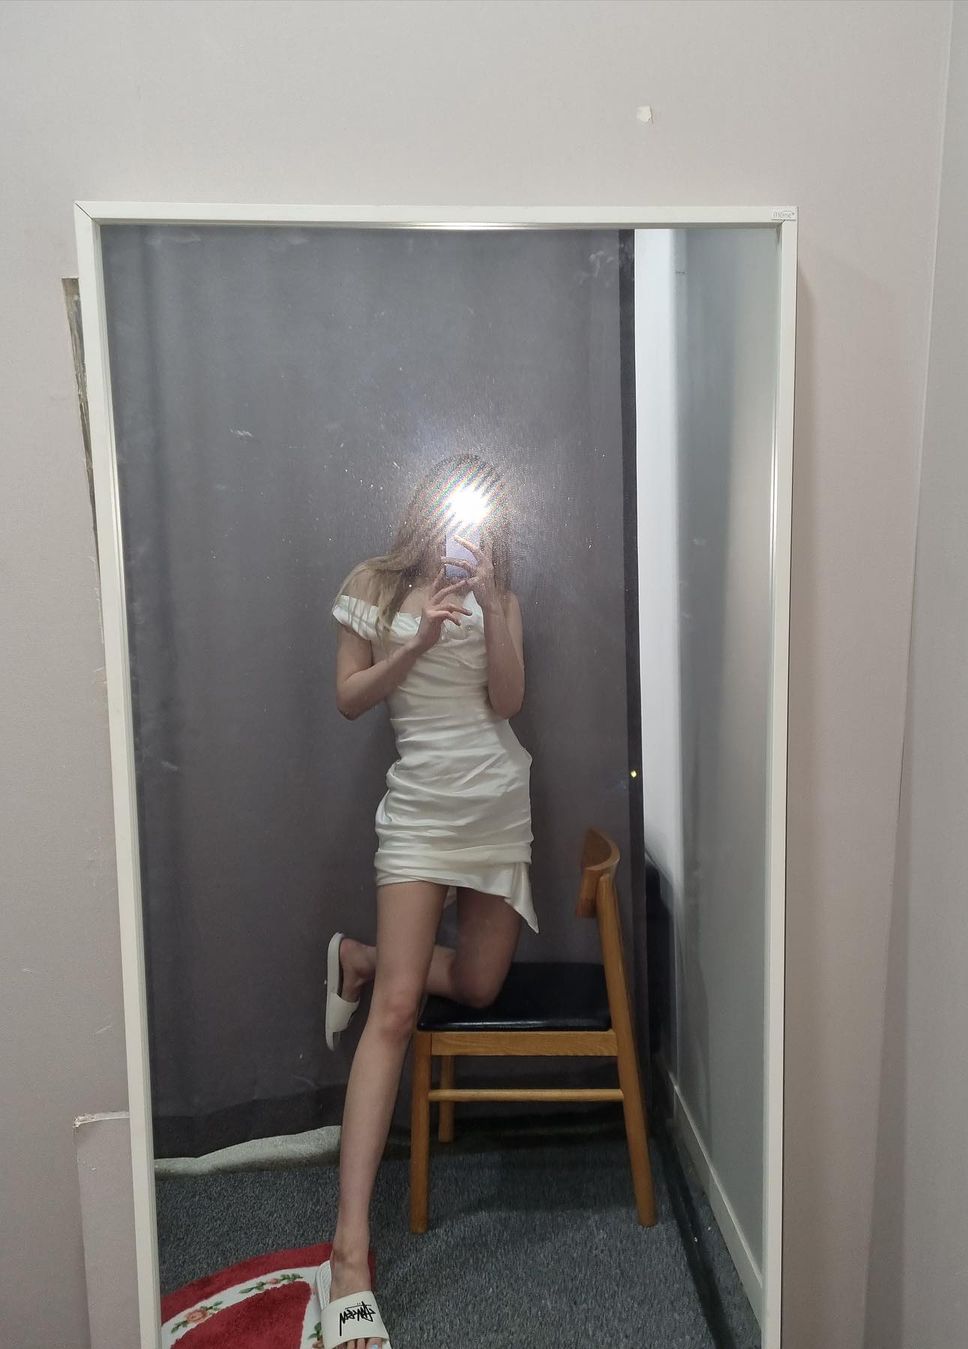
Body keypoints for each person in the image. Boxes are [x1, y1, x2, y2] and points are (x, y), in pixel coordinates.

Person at [316, 453, 535, 1349]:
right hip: (419, 811)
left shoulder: (501, 591)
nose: (469, 522)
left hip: (497, 802)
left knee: (479, 983)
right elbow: (349, 700)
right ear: (425, 504)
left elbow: (509, 700)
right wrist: (415, 643)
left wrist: (492, 606)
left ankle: (362, 958)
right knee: (398, 1013)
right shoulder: (371, 583)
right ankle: (348, 1255)